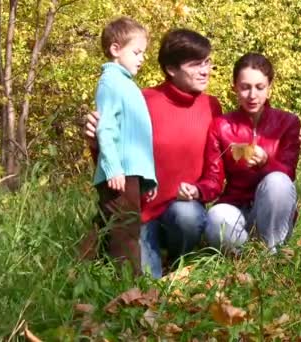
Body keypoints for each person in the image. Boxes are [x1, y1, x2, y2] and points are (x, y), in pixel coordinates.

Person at [83, 28, 224, 278]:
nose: (205, 70)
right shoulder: (141, 99)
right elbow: (118, 159)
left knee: (188, 215)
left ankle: (181, 260)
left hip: (182, 210)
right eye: (195, 64)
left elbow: (219, 164)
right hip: (143, 213)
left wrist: (200, 190)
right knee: (145, 283)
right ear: (171, 68)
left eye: (207, 62)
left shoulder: (212, 106)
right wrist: (95, 144)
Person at [201, 53, 301, 254]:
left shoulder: (288, 122)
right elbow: (213, 179)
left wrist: (266, 162)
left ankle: (270, 253)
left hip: (273, 214)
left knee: (277, 181)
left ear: (269, 87)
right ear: (235, 88)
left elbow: (287, 176)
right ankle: (250, 258)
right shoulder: (221, 125)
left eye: (259, 87)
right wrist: (195, 191)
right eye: (245, 87)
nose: (252, 95)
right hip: (235, 208)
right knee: (215, 217)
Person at [88, 17, 157, 274]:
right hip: (119, 174)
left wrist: (148, 180)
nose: (141, 58)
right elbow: (104, 128)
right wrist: (112, 168)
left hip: (130, 174)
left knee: (112, 226)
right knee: (125, 232)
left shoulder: (128, 85)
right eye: (136, 52)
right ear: (116, 49)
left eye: (143, 53)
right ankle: (127, 288)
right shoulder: (111, 82)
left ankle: (80, 273)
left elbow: (136, 139)